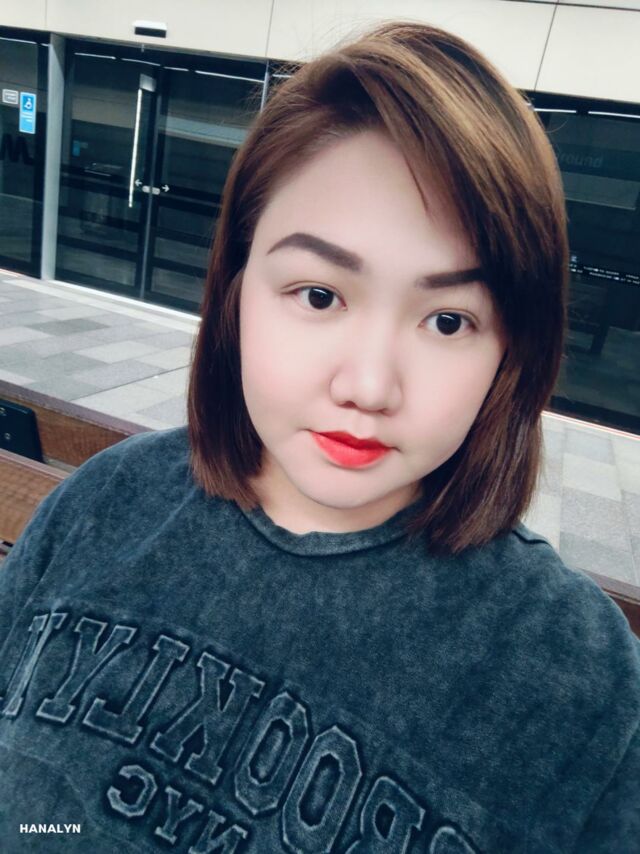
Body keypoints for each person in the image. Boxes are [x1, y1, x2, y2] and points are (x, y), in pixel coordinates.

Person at [0, 20, 638, 854]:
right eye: (319, 295)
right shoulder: (105, 503)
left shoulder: (577, 679)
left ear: (512, 350)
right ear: (236, 289)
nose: (368, 387)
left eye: (449, 320)